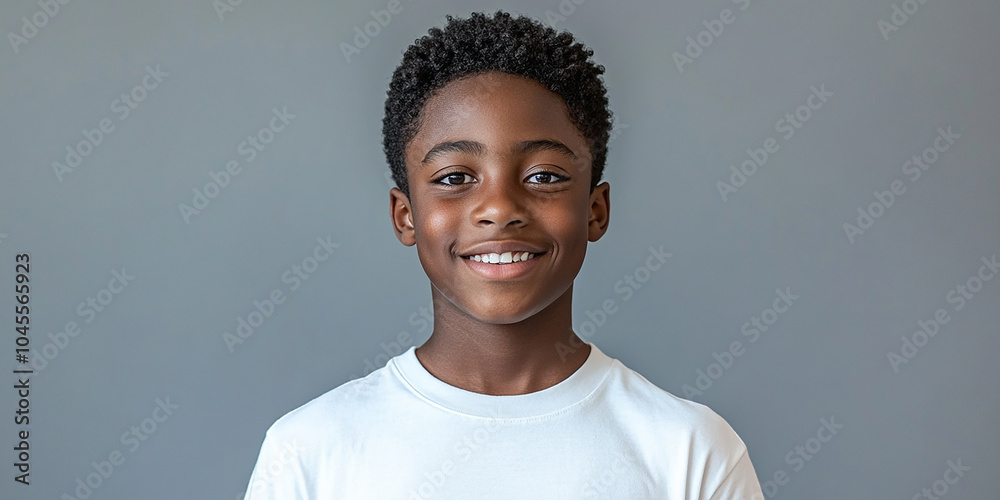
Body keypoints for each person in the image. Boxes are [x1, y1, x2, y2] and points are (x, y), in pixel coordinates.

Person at [243, 11, 765, 499]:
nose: (499, 208)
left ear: (595, 210)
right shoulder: (309, 453)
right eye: (454, 178)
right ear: (406, 216)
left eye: (543, 176)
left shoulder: (691, 453)